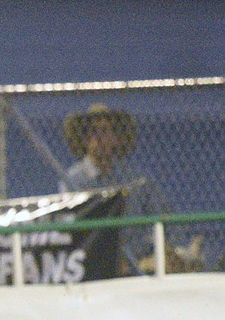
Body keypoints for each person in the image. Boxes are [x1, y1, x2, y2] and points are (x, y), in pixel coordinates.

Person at [60, 103, 163, 275]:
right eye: (94, 132)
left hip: (136, 260)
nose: (100, 139)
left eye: (106, 132)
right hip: (92, 261)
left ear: (117, 138)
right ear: (84, 139)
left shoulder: (135, 180)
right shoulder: (72, 180)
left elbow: (158, 215)